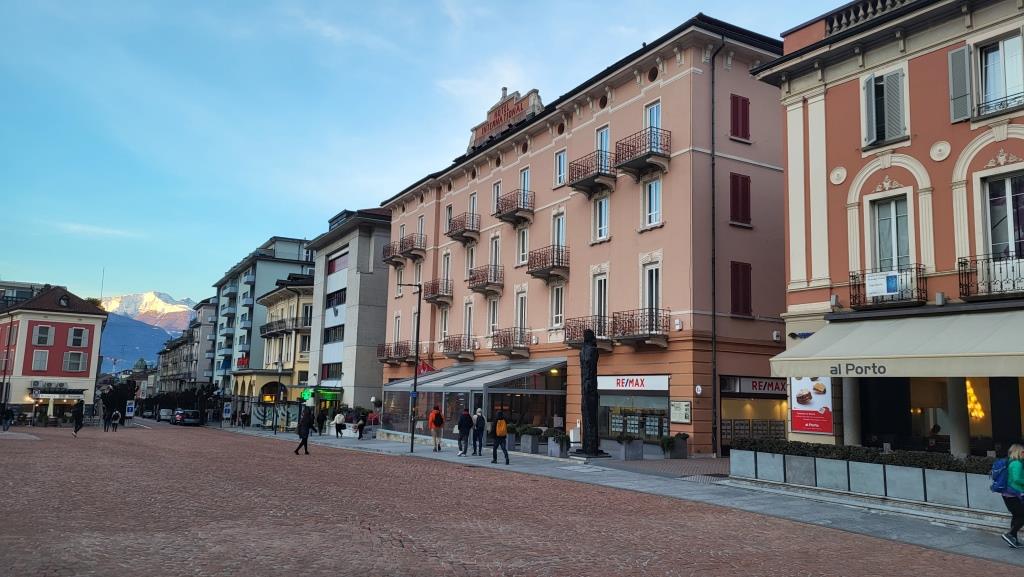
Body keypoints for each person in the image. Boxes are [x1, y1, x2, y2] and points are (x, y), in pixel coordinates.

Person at [1001, 443, 1024, 548]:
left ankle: (1013, 540)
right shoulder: (1016, 463)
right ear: (1018, 452)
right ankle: (1010, 534)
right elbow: (1016, 479)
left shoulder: (1010, 461)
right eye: (1023, 451)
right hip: (1013, 495)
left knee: (1016, 516)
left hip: (1009, 494)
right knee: (1022, 516)